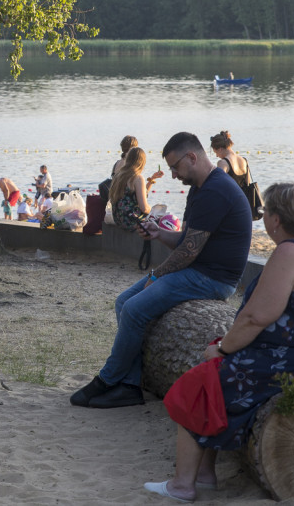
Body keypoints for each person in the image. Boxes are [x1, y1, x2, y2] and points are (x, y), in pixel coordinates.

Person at [142, 182, 294, 501]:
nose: (264, 220)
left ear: (276, 220)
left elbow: (256, 317)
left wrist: (222, 348)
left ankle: (182, 485)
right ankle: (205, 473)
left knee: (197, 386)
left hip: (292, 357)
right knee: (214, 375)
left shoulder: (290, 252)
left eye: (265, 214)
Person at [71, 132, 252, 410]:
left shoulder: (216, 190)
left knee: (134, 309)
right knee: (123, 302)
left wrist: (156, 276)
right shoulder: (200, 188)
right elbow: (187, 240)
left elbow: (189, 251)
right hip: (196, 269)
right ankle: (130, 385)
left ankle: (107, 380)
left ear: (192, 157)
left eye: (175, 167)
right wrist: (157, 233)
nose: (173, 175)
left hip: (213, 278)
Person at [109, 147, 159, 231]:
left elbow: (140, 193)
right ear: (142, 162)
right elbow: (144, 208)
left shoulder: (119, 175)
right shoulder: (137, 178)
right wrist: (154, 212)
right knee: (163, 220)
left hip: (119, 219)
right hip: (131, 221)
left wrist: (152, 179)